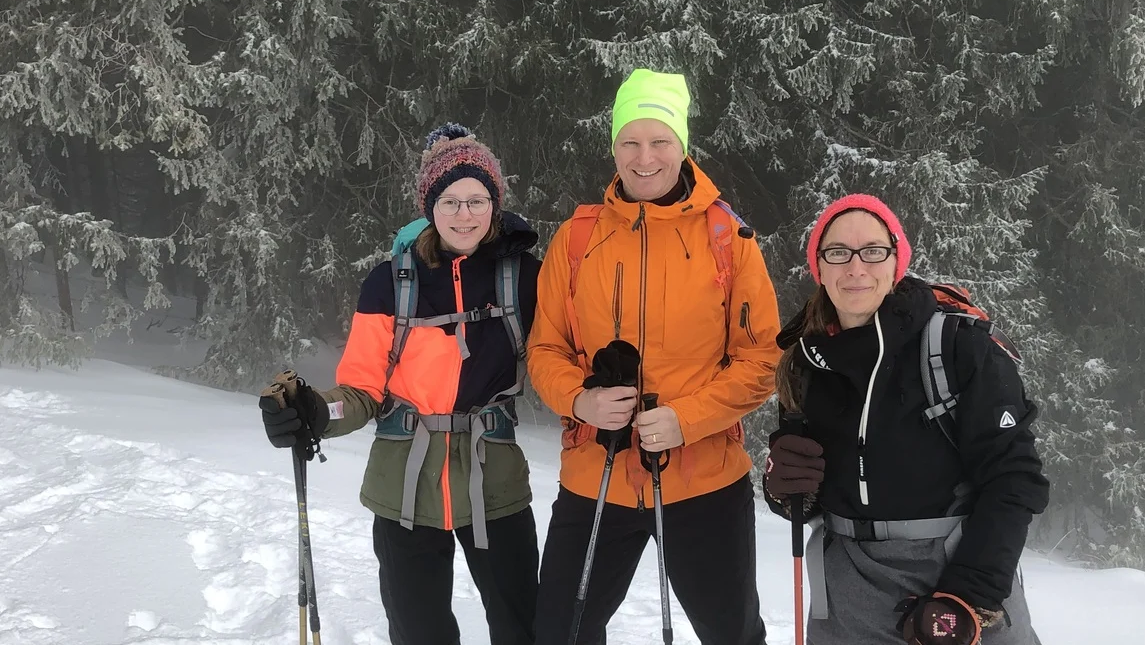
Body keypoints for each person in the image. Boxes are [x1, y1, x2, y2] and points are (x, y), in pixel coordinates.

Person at [259, 123, 541, 645]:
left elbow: (556, 361)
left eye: (477, 200)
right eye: (450, 200)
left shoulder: (522, 276)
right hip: (404, 489)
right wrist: (316, 413)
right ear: (429, 206)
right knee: (419, 633)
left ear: (495, 204)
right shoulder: (388, 281)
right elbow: (361, 393)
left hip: (493, 482)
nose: (464, 214)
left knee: (524, 627)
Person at [526, 68, 782, 645]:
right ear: (613, 146)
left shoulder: (728, 238)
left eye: (660, 141)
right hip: (597, 475)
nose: (645, 157)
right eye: (630, 142)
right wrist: (580, 399)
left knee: (732, 634)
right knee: (560, 632)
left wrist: (686, 420)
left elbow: (761, 360)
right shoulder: (577, 237)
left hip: (704, 481)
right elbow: (545, 348)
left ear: (682, 145)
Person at [764, 193, 1050, 645]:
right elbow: (812, 495)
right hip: (849, 592)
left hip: (959, 573)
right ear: (818, 267)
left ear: (897, 260)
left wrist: (968, 595)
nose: (855, 268)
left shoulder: (957, 346)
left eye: (873, 251)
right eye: (837, 253)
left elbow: (1014, 480)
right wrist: (784, 489)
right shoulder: (805, 362)